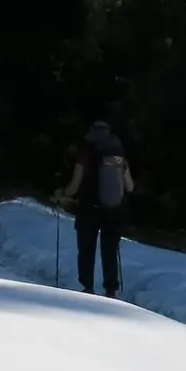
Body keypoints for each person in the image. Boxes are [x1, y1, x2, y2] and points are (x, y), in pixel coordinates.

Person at [57, 120, 133, 297]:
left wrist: (64, 195)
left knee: (86, 248)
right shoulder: (119, 157)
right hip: (115, 210)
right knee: (110, 249)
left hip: (89, 208)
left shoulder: (85, 154)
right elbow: (129, 187)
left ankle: (88, 287)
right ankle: (111, 289)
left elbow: (75, 185)